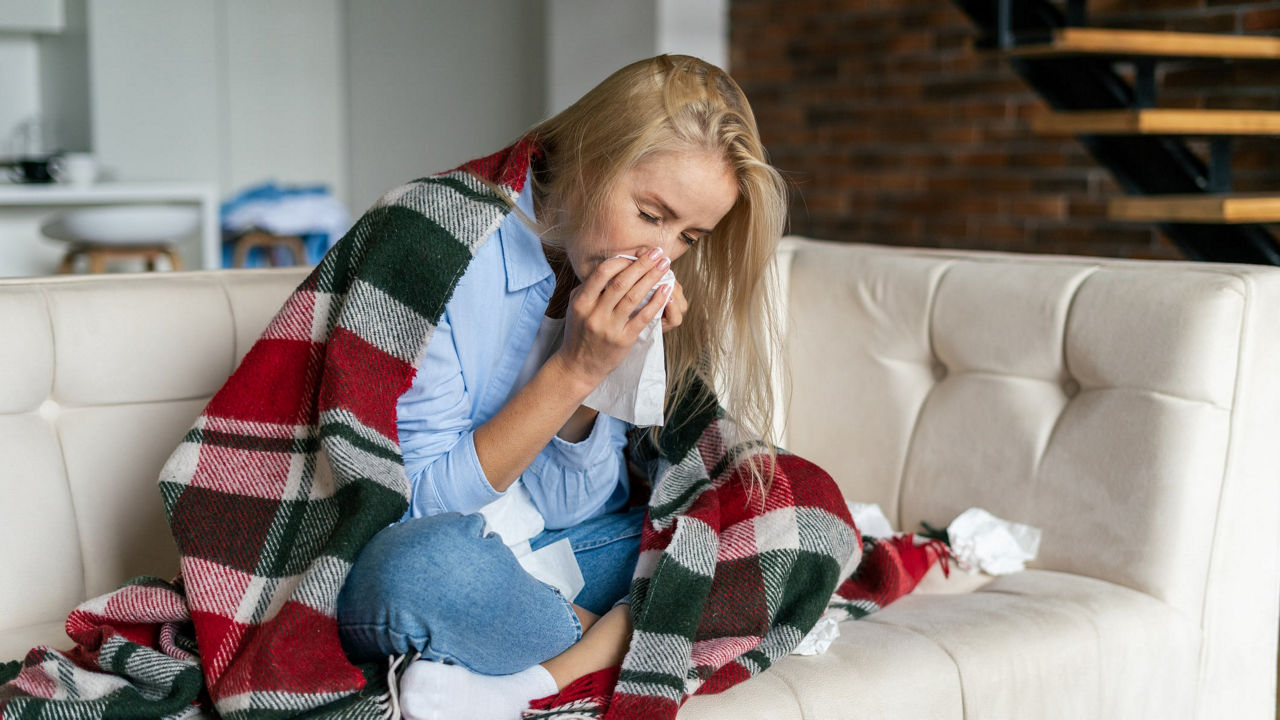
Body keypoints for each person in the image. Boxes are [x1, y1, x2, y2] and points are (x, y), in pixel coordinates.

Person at [334, 54, 788, 720]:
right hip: (426, 563)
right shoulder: (436, 242)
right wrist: (573, 368)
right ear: (584, 161)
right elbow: (417, 509)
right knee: (426, 572)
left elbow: (573, 509)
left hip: (542, 557)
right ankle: (631, 634)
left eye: (689, 235)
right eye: (649, 213)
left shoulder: (607, 276)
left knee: (783, 505)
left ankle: (525, 683)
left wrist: (605, 368)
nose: (659, 257)